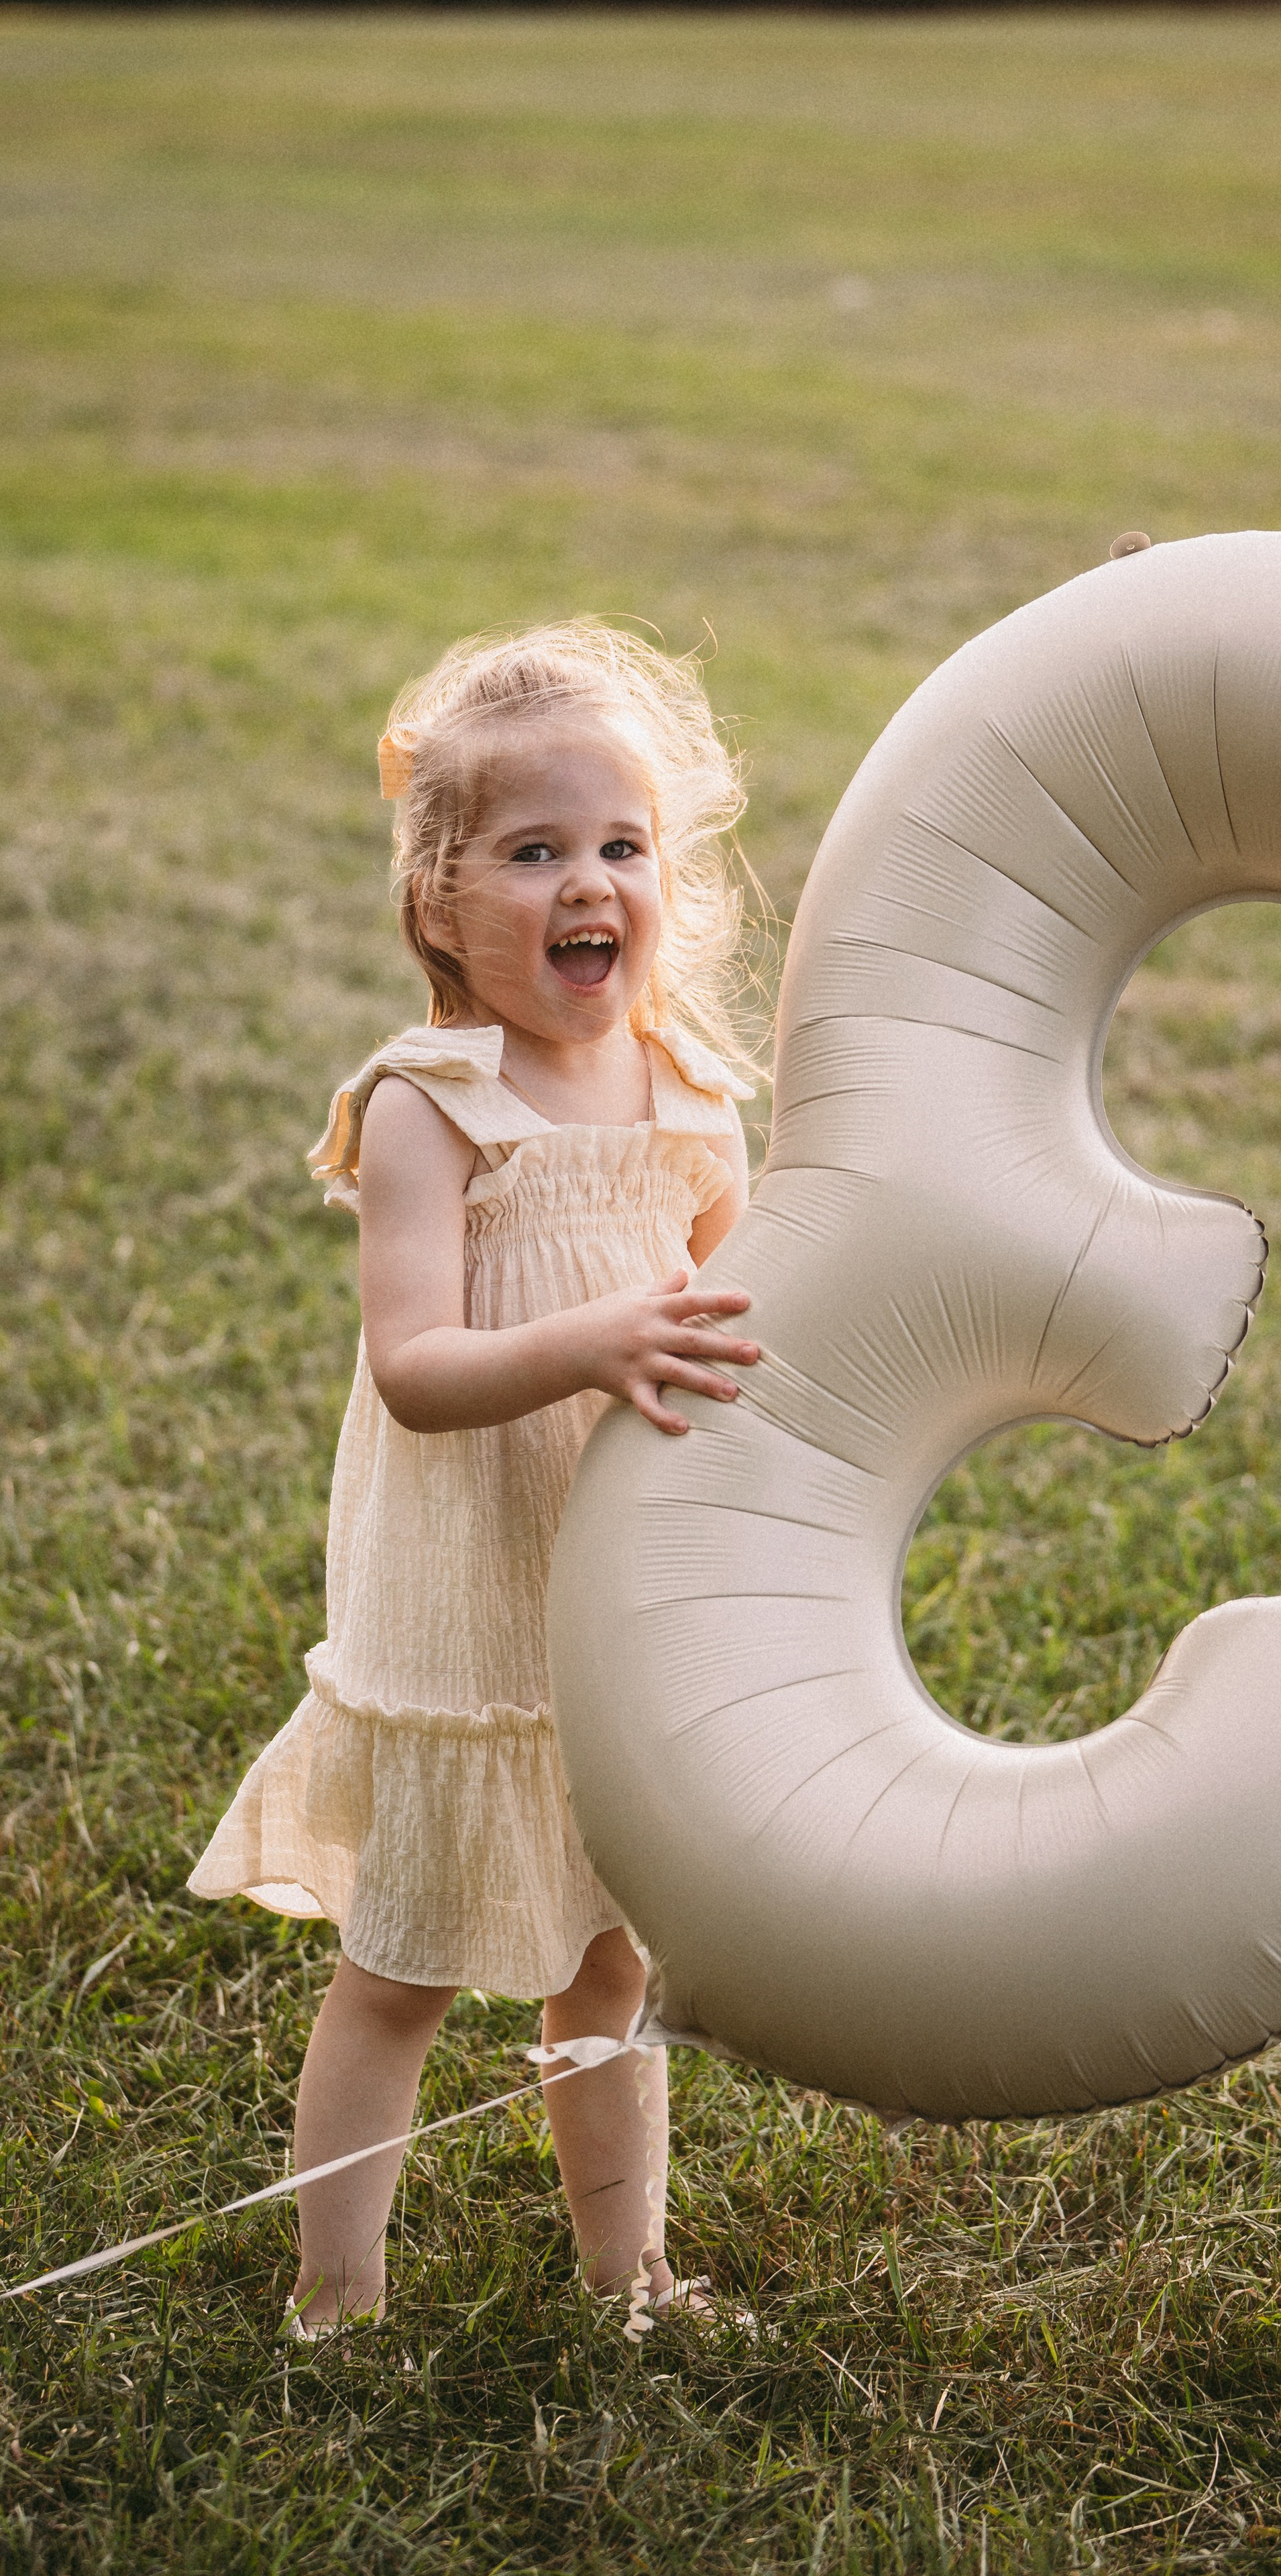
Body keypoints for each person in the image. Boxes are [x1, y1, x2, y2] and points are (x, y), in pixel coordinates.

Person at [189, 622, 764, 2335]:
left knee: (607, 1963)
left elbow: (733, 1330)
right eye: (532, 852)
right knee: (402, 1974)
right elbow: (417, 1368)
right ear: (439, 898)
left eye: (618, 847)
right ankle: (335, 2293)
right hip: (457, 1612)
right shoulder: (431, 1106)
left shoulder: (694, 1101)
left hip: (611, 1611)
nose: (586, 882)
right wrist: (592, 1339)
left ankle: (628, 2275)